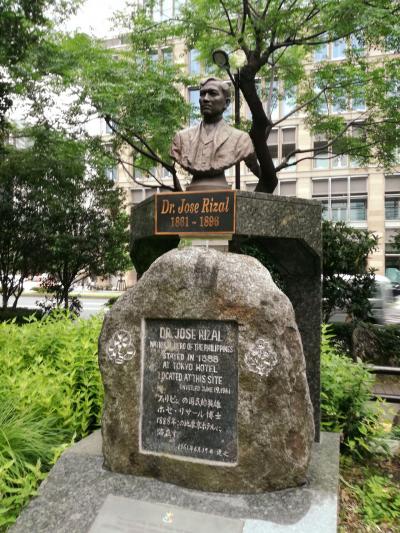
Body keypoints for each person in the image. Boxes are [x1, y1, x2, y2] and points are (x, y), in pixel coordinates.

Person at [170, 78, 260, 190]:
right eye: (202, 94)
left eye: (212, 94)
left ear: (226, 103)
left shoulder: (241, 139)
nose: (205, 99)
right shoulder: (181, 138)